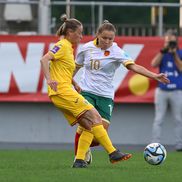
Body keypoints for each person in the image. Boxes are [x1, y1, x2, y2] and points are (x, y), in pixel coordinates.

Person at [40, 14, 133, 169]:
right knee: (95, 117)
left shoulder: (68, 49)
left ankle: (79, 161)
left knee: (88, 125)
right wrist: (49, 80)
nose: (81, 36)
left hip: (64, 91)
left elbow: (63, 72)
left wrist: (74, 82)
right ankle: (113, 152)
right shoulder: (62, 45)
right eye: (79, 33)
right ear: (70, 33)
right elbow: (44, 60)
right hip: (62, 92)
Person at [73, 20, 170, 164]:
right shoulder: (86, 48)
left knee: (99, 135)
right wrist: (67, 81)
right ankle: (80, 159)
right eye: (104, 37)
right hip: (87, 92)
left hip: (105, 96)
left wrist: (154, 75)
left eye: (110, 39)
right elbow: (75, 67)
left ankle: (85, 149)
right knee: (91, 125)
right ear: (97, 35)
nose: (107, 41)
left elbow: (133, 67)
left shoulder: (116, 51)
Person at [151, 29, 182, 151]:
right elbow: (153, 64)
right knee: (158, 119)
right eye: (167, 41)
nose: (169, 44)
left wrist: (174, 54)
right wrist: (163, 51)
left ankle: (179, 145)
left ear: (176, 41)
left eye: (171, 42)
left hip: (177, 90)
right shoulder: (162, 54)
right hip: (162, 90)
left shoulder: (179, 53)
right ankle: (154, 144)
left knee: (178, 119)